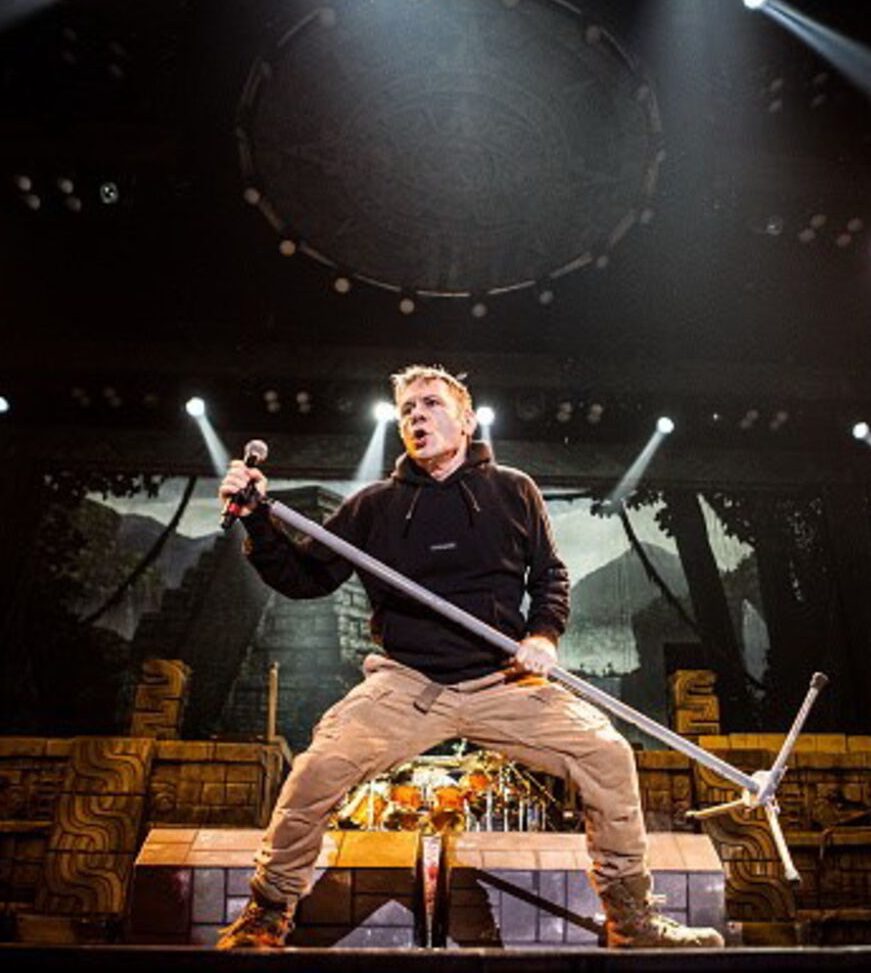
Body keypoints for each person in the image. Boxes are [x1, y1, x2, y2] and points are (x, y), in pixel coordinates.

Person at [215, 364, 724, 950]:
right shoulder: (374, 506)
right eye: (407, 411)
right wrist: (258, 520)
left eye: (431, 404)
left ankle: (631, 920)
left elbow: (550, 576)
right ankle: (266, 913)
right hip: (408, 684)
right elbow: (304, 577)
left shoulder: (513, 490)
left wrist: (542, 638)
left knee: (607, 755)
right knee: (315, 772)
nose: (416, 417)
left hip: (501, 681)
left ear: (467, 420)